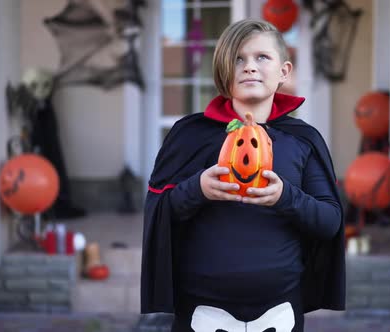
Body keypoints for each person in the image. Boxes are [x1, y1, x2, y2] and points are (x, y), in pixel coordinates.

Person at [141, 19, 345, 332]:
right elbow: (160, 211)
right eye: (238, 58)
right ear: (223, 69)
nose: (249, 66)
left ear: (284, 71)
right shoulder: (190, 135)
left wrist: (285, 197)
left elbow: (329, 220)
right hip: (202, 309)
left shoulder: (303, 140)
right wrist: (197, 189)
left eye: (262, 57)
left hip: (279, 309)